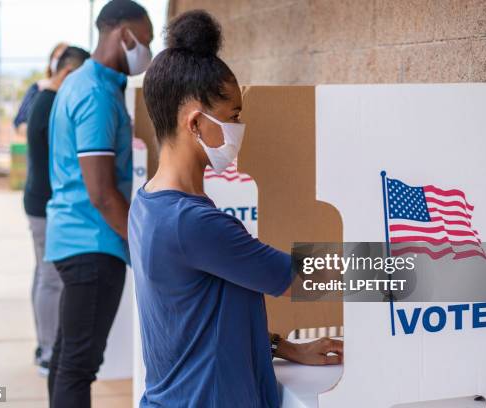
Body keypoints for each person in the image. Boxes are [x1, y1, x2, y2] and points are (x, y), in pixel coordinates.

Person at [129, 10, 343, 408]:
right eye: (234, 116)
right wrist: (430, 268)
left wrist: (280, 346)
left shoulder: (149, 204)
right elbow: (300, 277)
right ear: (195, 123)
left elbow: (199, 319)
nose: (240, 128)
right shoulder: (191, 223)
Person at [44, 1, 153, 407]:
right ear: (124, 34)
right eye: (146, 38)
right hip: (92, 243)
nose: (148, 48)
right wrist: (142, 244)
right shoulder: (95, 95)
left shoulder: (84, 83)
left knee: (67, 357)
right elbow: (103, 193)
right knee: (78, 365)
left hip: (75, 238)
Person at [24, 46, 90, 376]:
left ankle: (43, 344)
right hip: (44, 205)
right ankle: (48, 352)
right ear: (66, 74)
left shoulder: (43, 98)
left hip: (37, 201)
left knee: (43, 276)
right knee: (50, 280)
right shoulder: (51, 105)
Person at [13, 42, 68, 134]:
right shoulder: (37, 88)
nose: (59, 62)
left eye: (63, 58)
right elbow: (19, 122)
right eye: (57, 58)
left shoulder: (73, 92)